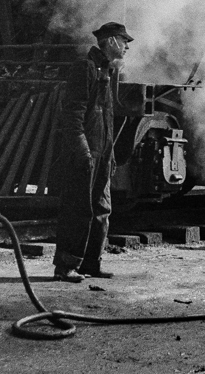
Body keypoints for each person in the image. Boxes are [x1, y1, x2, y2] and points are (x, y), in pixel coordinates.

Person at [53, 21, 133, 282]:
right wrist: (83, 151)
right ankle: (65, 266)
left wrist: (109, 156)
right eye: (123, 41)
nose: (126, 47)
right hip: (86, 154)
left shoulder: (106, 71)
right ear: (110, 42)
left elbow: (106, 120)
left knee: (101, 209)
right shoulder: (85, 68)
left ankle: (90, 263)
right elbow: (73, 116)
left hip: (101, 153)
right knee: (78, 208)